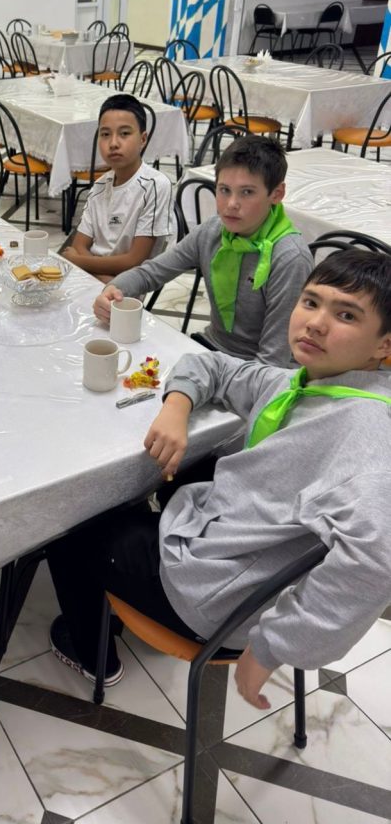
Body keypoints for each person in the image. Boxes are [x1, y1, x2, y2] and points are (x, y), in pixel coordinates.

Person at [48, 249, 391, 707]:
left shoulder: (367, 432)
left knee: (70, 527)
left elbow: (375, 563)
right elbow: (211, 365)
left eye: (346, 315)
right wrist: (177, 406)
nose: (315, 323)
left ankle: (93, 655)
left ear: (384, 345)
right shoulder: (307, 383)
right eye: (311, 302)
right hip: (228, 556)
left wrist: (272, 648)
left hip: (214, 598)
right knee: (170, 472)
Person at [93, 134, 313, 367]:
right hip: (214, 349)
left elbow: (273, 360)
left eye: (247, 192)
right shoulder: (213, 231)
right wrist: (113, 290)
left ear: (276, 194)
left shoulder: (289, 258)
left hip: (259, 368)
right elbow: (151, 273)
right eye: (224, 190)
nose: (231, 204)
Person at [62, 93, 173, 284]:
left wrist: (80, 262)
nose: (113, 143)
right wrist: (103, 279)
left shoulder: (155, 186)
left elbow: (135, 260)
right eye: (105, 134)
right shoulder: (99, 186)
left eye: (124, 133)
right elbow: (80, 244)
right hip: (98, 280)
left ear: (143, 139)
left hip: (129, 286)